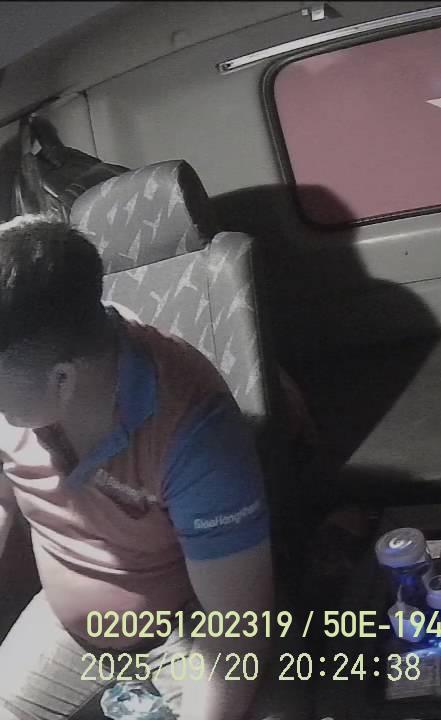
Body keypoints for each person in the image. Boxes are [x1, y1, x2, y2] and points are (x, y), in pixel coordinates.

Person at [0, 215, 278, 719]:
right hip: (63, 631)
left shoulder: (193, 430)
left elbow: (236, 626)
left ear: (61, 381)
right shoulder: (24, 386)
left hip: (185, 632)